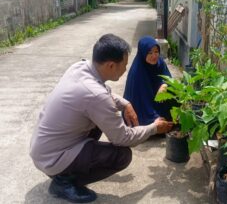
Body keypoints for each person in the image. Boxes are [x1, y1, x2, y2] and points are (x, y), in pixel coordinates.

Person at [30, 34, 173, 203]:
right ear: (111, 65)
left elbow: (103, 91)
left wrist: (125, 104)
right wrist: (154, 127)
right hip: (53, 158)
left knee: (101, 120)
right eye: (124, 65)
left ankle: (68, 170)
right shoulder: (95, 96)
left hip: (44, 148)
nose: (126, 69)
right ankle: (64, 182)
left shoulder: (80, 67)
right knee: (122, 156)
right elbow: (123, 138)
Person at [124, 36, 175, 126]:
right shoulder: (137, 71)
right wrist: (154, 117)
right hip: (142, 106)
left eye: (156, 52)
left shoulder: (160, 63)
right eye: (150, 53)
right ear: (143, 53)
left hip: (157, 99)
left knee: (174, 91)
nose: (154, 56)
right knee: (151, 123)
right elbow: (140, 100)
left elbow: (169, 78)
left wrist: (163, 85)